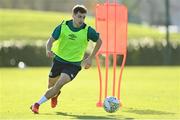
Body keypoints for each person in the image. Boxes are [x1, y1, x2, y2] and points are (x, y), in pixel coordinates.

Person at [30, 4, 102, 114]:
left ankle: (36, 104)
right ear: (73, 15)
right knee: (51, 86)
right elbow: (50, 41)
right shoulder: (63, 26)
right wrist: (48, 50)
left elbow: (99, 41)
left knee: (59, 84)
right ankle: (55, 94)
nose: (81, 20)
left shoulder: (88, 30)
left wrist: (90, 58)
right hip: (58, 61)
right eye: (79, 16)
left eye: (83, 17)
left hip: (73, 65)